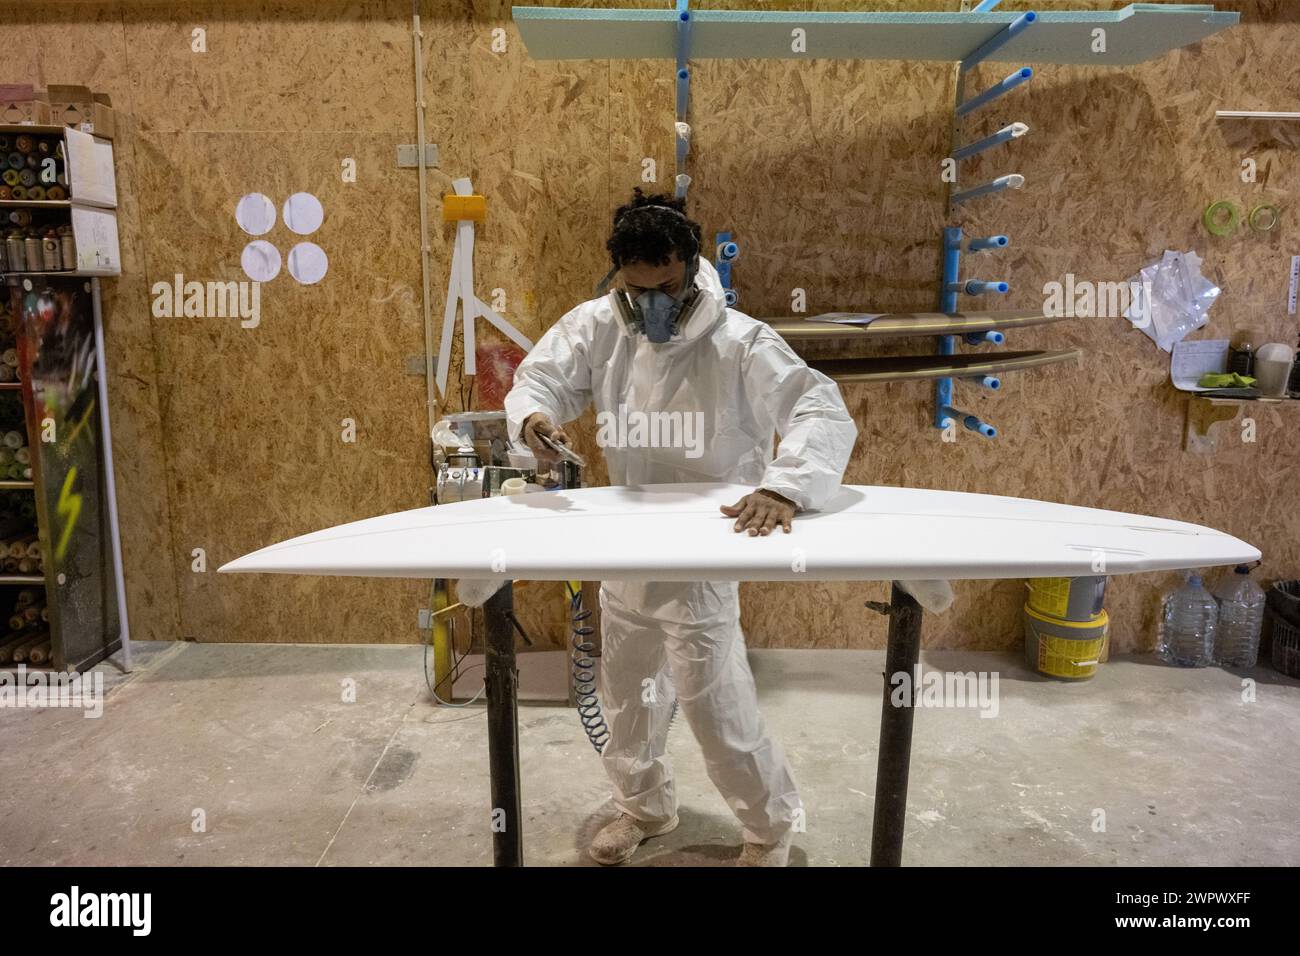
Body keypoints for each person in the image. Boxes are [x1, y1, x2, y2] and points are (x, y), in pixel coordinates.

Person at [504, 188, 857, 866]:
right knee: (628, 701)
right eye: (640, 290)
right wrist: (535, 422)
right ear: (621, 279)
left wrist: (784, 485)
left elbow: (819, 407)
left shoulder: (741, 341)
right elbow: (541, 378)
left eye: (667, 286)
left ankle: (769, 830)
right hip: (628, 538)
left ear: (693, 266)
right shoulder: (601, 324)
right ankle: (644, 808)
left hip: (705, 544)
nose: (655, 304)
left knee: (716, 711)